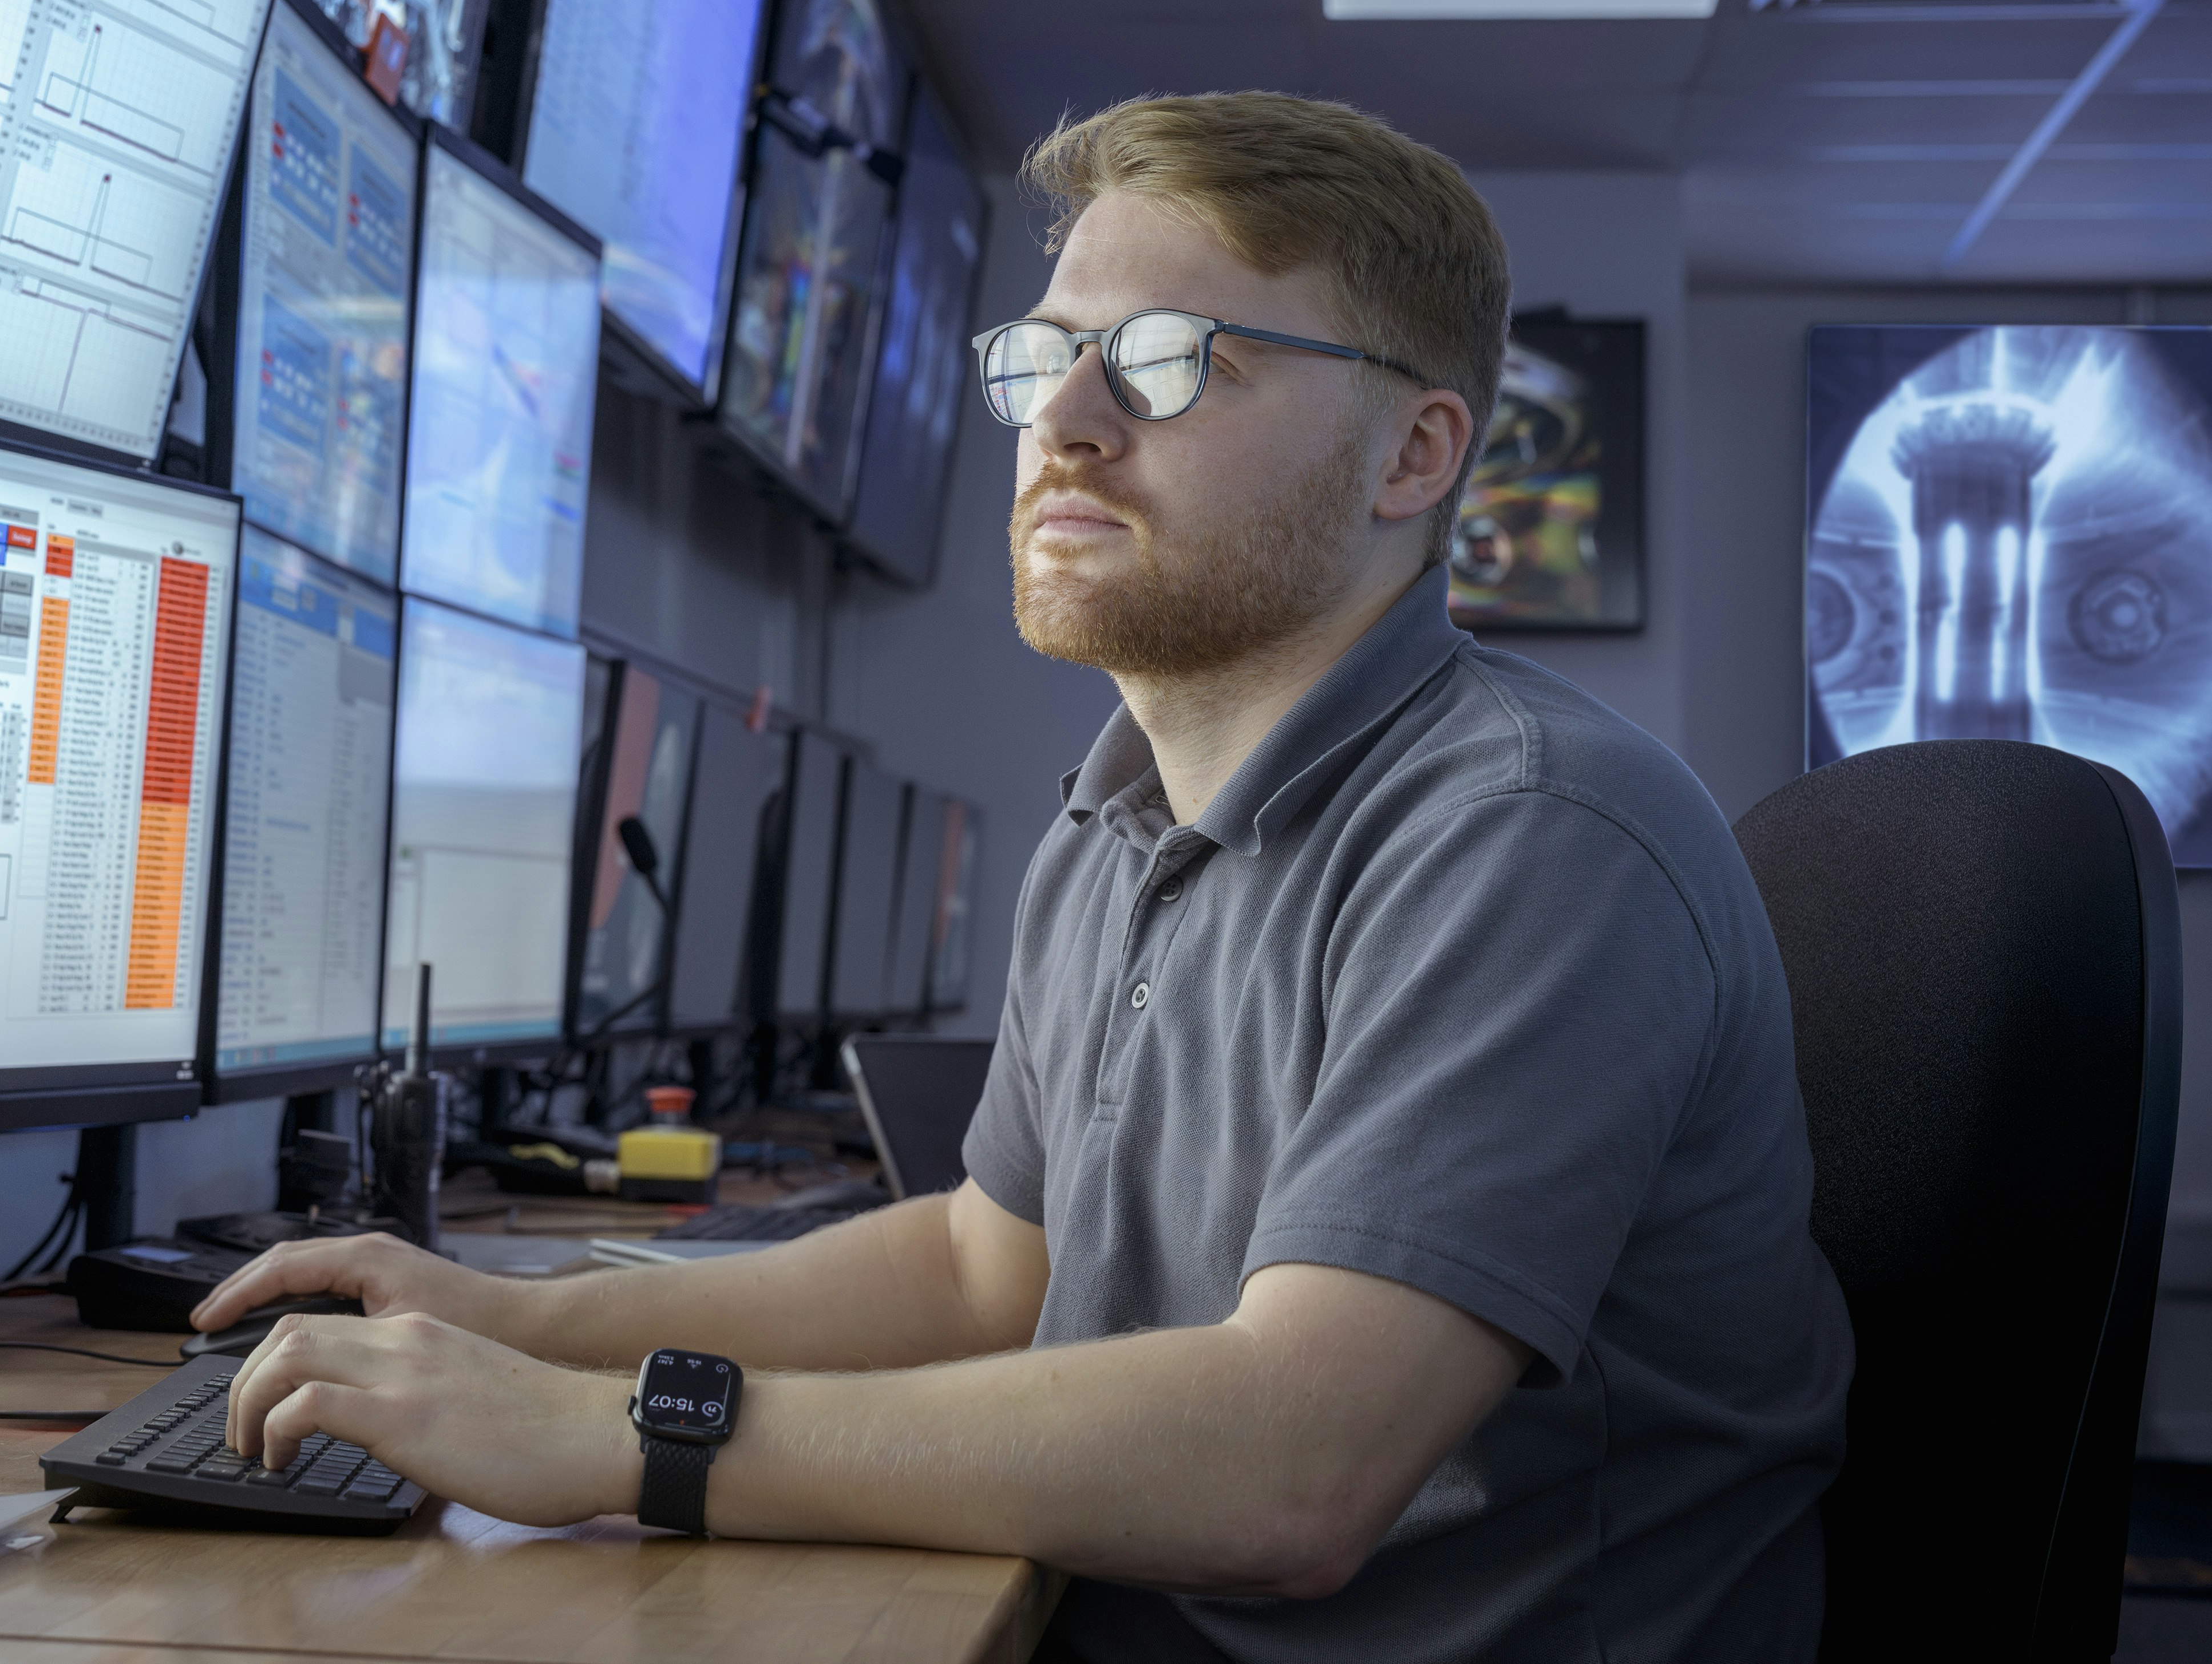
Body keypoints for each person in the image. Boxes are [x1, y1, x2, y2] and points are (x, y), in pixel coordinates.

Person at [193, 93, 1852, 1661]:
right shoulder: (1121, 809)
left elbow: (1295, 1465)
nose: (1063, 422)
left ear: (1410, 456)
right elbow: (987, 1268)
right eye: (1043, 358)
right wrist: (518, 1324)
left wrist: (616, 1429)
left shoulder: (1529, 832)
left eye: (1161, 361)